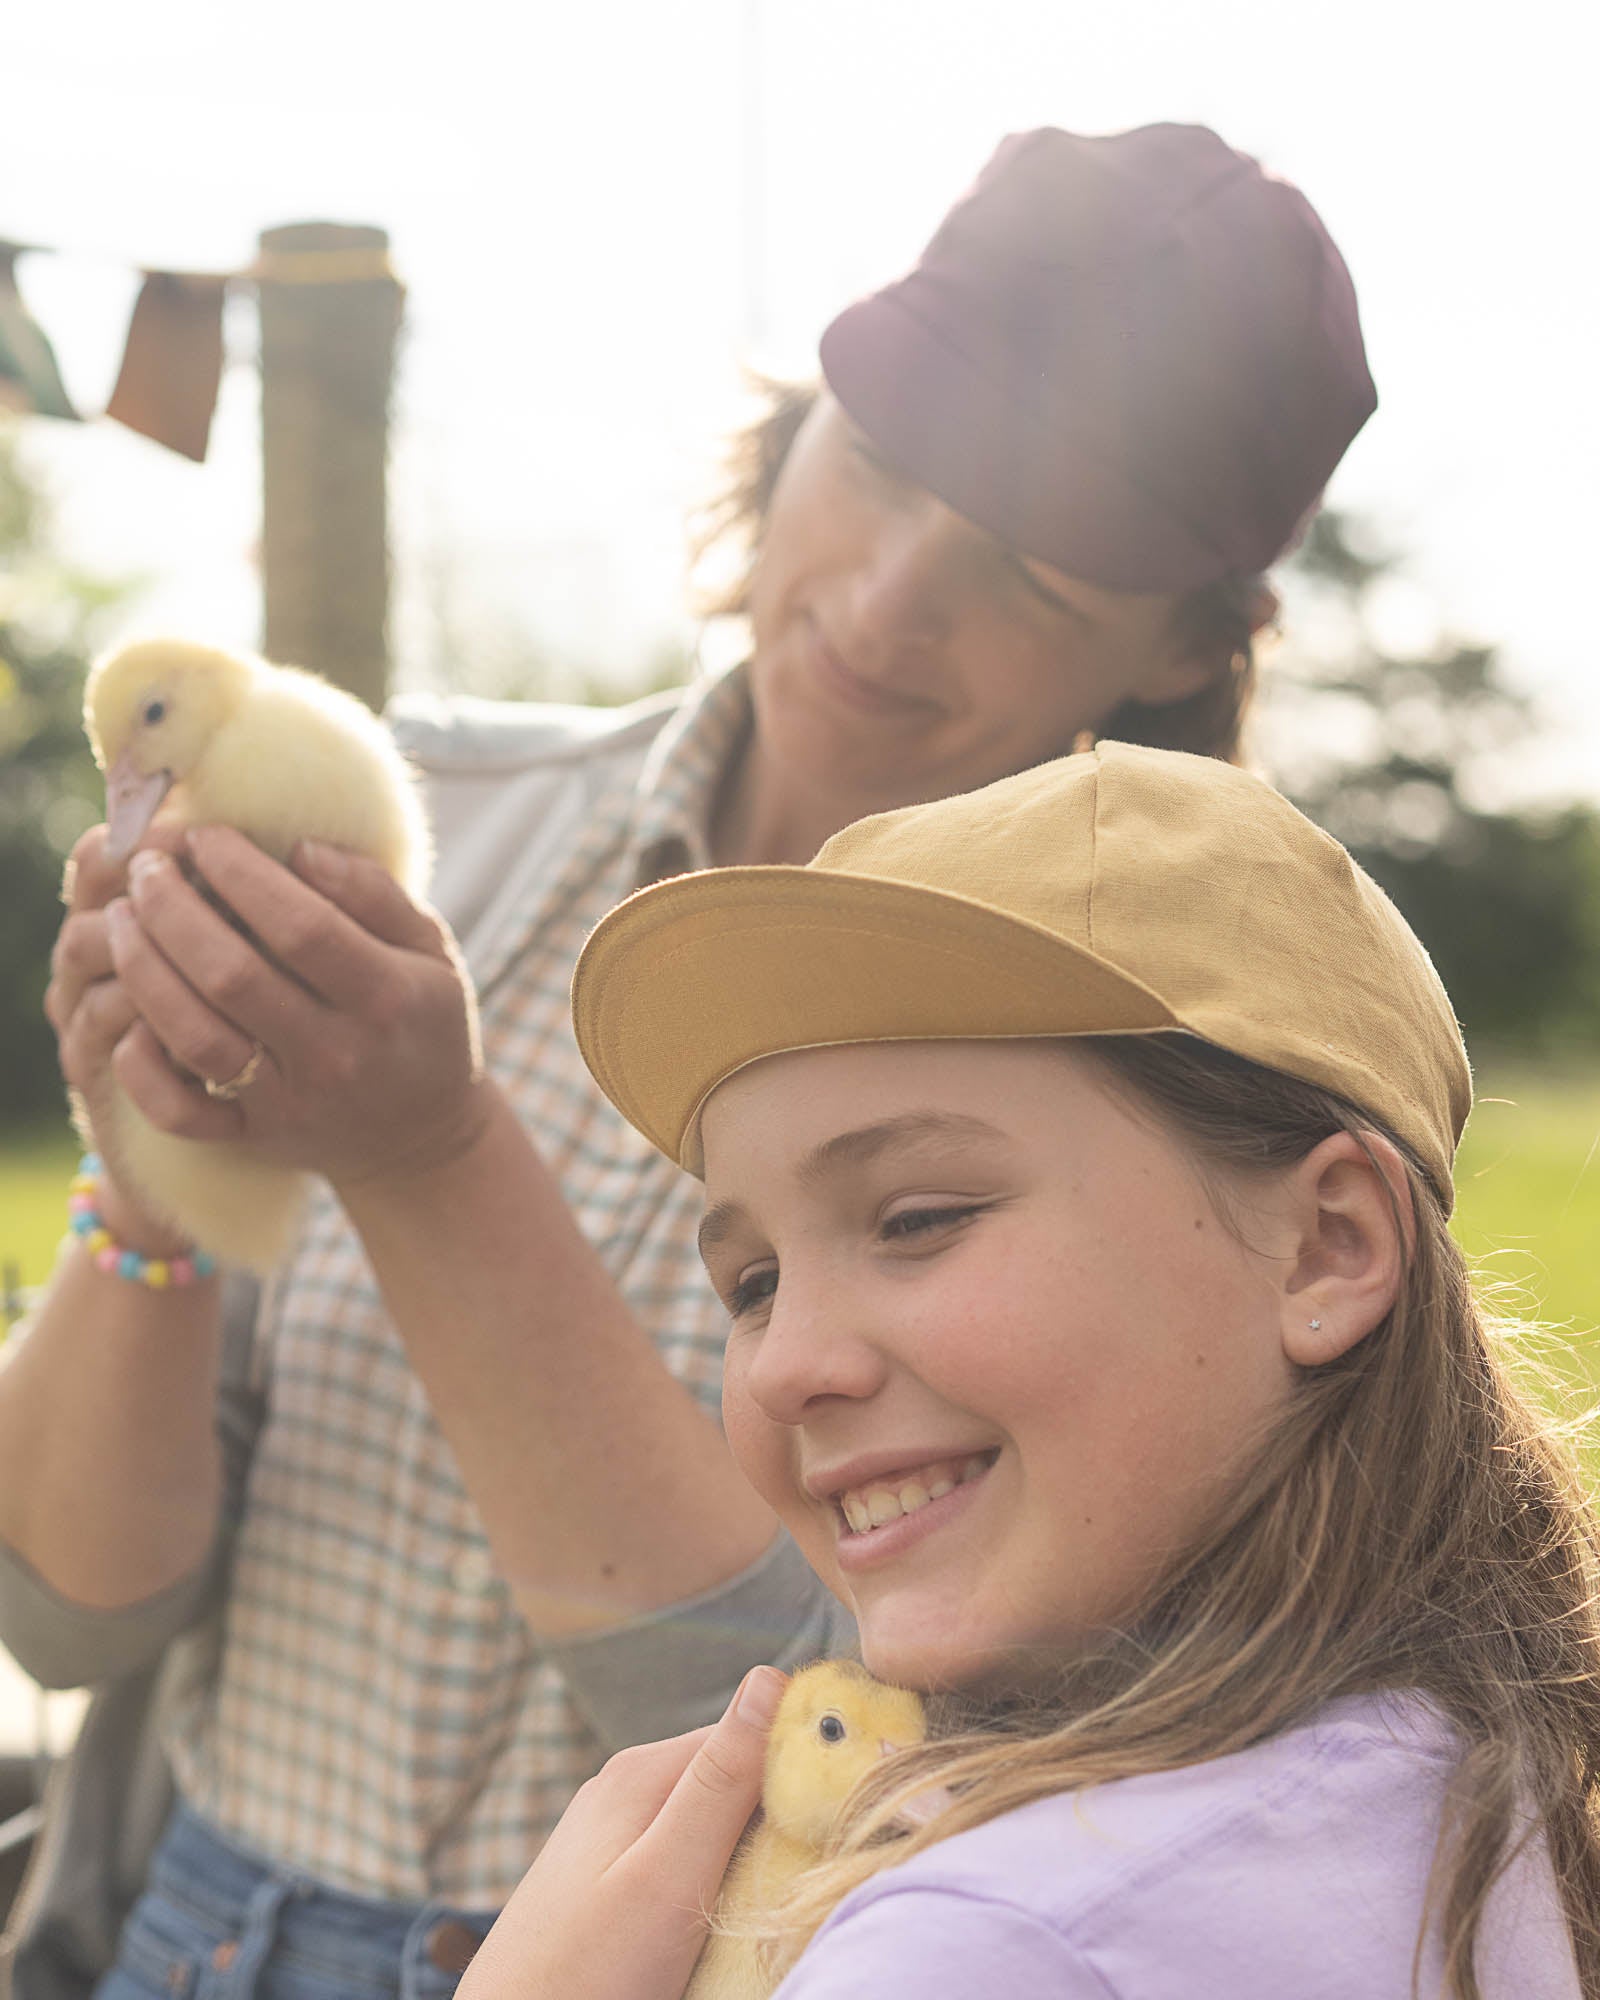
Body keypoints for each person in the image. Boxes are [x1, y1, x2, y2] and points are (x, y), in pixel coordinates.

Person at [0, 125, 1379, 1999]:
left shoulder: (1182, 1079)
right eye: (880, 466)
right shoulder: (423, 831)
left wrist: (427, 1155)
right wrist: (156, 1174)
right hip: (190, 1936)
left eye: (1034, 577)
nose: (892, 601)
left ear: (1185, 647)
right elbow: (70, 1614)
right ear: (794, 423)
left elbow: (842, 1719)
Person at [458, 742, 1596, 1999]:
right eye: (755, 1282)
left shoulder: (992, 1942)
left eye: (918, 1217)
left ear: (1326, 1246)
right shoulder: (1483, 1773)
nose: (786, 1367)